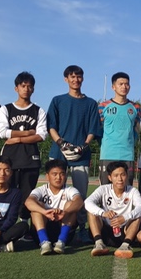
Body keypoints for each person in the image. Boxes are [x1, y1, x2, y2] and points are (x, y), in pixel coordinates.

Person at [47, 65, 102, 237]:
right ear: (66, 79)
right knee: (55, 192)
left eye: (78, 76)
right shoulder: (57, 100)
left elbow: (93, 129)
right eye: (72, 76)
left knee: (81, 194)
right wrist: (61, 143)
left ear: (82, 79)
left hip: (81, 155)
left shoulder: (90, 103)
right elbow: (51, 126)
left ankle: (82, 228)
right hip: (58, 153)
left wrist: (84, 145)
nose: (75, 79)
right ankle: (52, 225)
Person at [0, 71, 47, 221]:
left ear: (33, 89)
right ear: (16, 88)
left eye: (29, 86)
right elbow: (1, 131)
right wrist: (26, 134)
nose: (26, 89)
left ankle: (24, 224)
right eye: (23, 86)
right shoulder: (6, 109)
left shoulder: (38, 110)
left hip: (30, 159)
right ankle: (3, 225)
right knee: (6, 192)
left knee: (28, 195)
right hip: (10, 158)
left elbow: (41, 135)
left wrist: (17, 139)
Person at [84, 161, 141, 258]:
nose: (120, 179)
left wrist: (125, 217)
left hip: (124, 232)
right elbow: (87, 202)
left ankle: (125, 246)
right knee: (92, 212)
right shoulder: (103, 189)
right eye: (116, 175)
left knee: (137, 217)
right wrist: (103, 213)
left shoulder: (132, 191)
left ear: (127, 176)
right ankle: (99, 244)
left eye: (123, 175)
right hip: (106, 232)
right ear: (110, 178)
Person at [25, 159, 84, 255]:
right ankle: (44, 242)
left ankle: (61, 241)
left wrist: (65, 212)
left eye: (62, 174)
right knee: (37, 207)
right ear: (47, 176)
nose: (58, 177)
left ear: (65, 176)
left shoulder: (70, 190)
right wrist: (45, 212)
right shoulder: (41, 190)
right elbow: (28, 202)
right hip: (42, 230)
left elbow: (79, 201)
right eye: (54, 174)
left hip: (64, 232)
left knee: (71, 205)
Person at [98, 72, 141, 186]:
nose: (124, 87)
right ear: (113, 87)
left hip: (127, 155)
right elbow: (98, 130)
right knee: (105, 190)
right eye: (120, 84)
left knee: (126, 190)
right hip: (108, 154)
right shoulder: (103, 106)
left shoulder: (135, 107)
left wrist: (130, 142)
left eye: (126, 84)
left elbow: (137, 130)